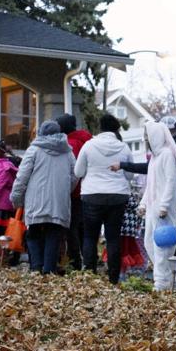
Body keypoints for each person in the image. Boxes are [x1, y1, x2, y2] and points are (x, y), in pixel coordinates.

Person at [10, 121, 76, 275]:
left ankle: (36, 268)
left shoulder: (34, 150)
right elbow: (74, 176)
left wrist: (16, 198)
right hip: (59, 202)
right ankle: (49, 269)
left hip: (35, 199)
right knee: (53, 234)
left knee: (33, 233)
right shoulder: (68, 152)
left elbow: (22, 177)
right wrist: (64, 190)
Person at [74, 114, 133, 283]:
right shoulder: (124, 147)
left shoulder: (89, 146)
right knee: (113, 237)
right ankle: (113, 277)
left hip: (92, 194)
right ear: (116, 129)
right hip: (117, 196)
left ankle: (90, 274)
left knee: (90, 237)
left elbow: (78, 172)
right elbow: (129, 175)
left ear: (100, 127)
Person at [138, 120, 176, 291]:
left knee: (162, 245)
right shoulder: (154, 158)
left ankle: (161, 282)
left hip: (164, 208)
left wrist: (164, 205)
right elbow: (150, 184)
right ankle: (172, 278)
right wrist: (143, 203)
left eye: (148, 136)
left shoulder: (167, 155)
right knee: (149, 242)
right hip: (152, 207)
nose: (146, 140)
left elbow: (171, 181)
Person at [56, 113, 92, 272]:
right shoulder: (88, 141)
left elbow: (71, 171)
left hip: (72, 192)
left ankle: (74, 261)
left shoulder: (69, 144)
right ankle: (90, 260)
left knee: (71, 228)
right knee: (86, 228)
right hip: (89, 190)